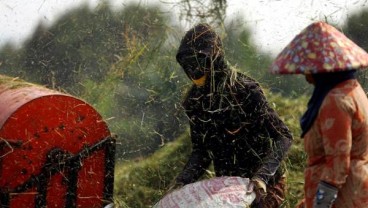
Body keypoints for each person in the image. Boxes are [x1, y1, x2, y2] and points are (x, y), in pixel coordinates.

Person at [173, 23, 293, 207]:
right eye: (188, 65)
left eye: (199, 63)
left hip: (264, 185)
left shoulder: (246, 91)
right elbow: (202, 151)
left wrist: (262, 176)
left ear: (215, 57)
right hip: (227, 189)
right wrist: (182, 182)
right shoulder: (195, 102)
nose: (194, 71)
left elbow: (283, 136)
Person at [270, 21, 368, 208]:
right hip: (355, 192)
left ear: (323, 69)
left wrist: (319, 204)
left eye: (310, 68)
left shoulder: (335, 101)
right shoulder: (354, 89)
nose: (306, 76)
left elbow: (338, 165)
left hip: (342, 199)